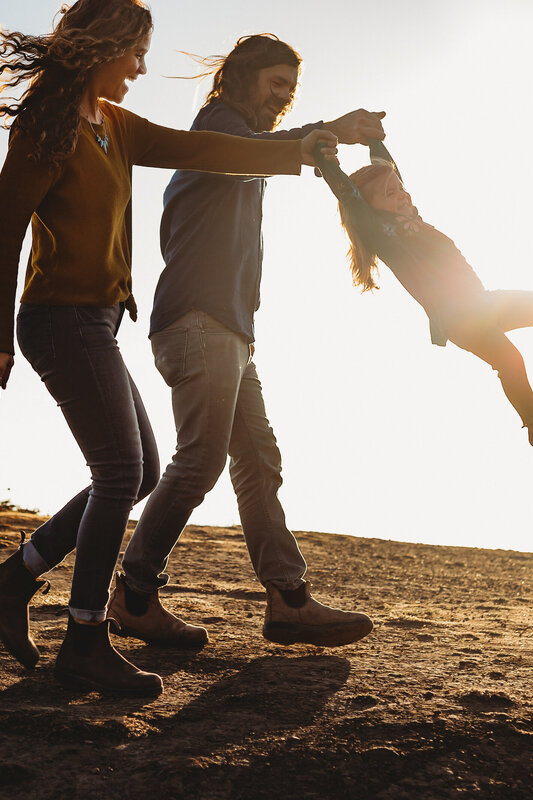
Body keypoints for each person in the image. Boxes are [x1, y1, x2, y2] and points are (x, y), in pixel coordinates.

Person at [0, 1, 339, 698]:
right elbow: (0, 231)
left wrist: (303, 148)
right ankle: (84, 638)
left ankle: (11, 579)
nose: (141, 66)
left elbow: (207, 150)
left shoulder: (114, 126)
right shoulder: (47, 125)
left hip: (98, 320)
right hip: (57, 319)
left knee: (136, 475)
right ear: (102, 47)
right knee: (120, 471)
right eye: (135, 52)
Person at [106, 34, 380, 651]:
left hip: (227, 329)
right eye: (275, 84)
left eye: (291, 88)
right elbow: (249, 152)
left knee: (257, 460)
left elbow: (257, 156)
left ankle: (288, 601)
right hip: (198, 324)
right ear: (241, 78)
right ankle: (134, 594)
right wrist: (324, 130)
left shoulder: (242, 149)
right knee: (199, 462)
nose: (283, 98)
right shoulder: (218, 132)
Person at [316, 138, 533, 457]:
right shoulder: (383, 231)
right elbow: (350, 195)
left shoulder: (411, 216)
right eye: (390, 194)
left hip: (481, 301)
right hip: (456, 317)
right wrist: (326, 161)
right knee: (509, 359)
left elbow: (389, 170)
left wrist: (374, 136)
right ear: (369, 209)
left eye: (401, 188)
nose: (401, 194)